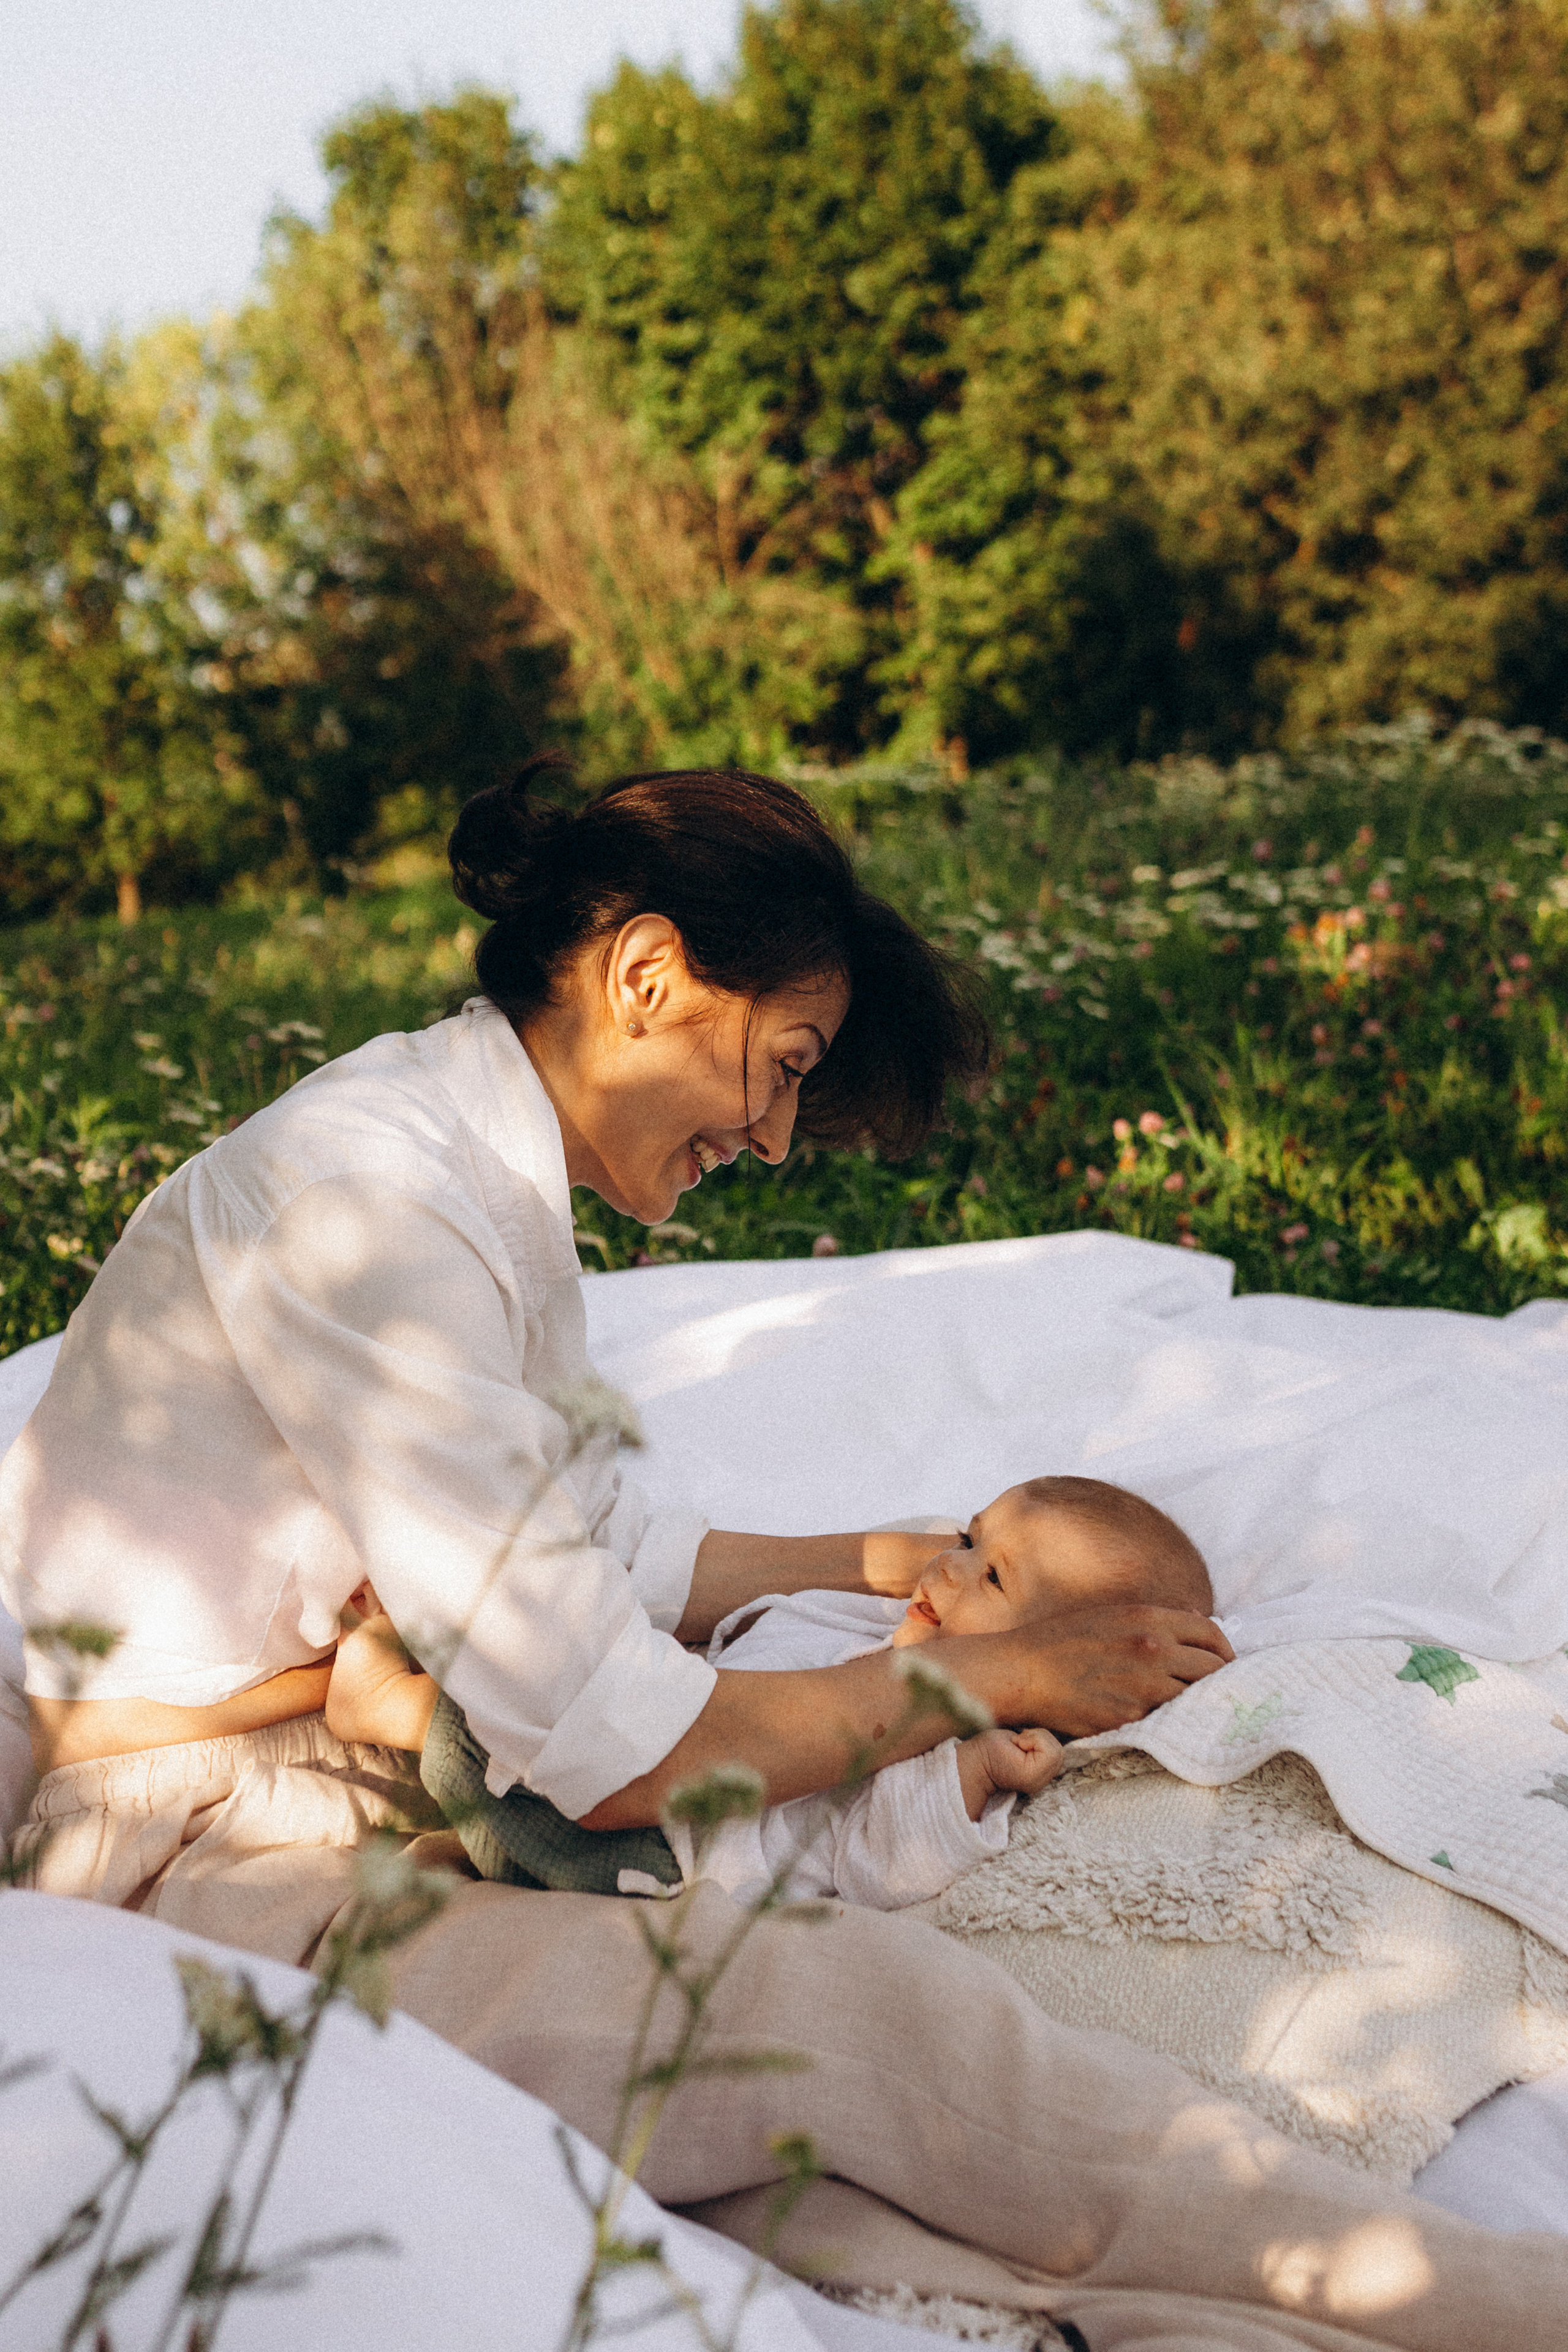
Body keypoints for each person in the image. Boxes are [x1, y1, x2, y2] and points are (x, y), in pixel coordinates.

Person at [4, 760, 1560, 2350]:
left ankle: (1219, 2308)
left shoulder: (467, 1180)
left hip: (342, 1780)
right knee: (847, 2013)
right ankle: (1464, 2299)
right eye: (783, 1063)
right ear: (646, 972)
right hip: (187, 1849)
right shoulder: (367, 1209)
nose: (773, 1130)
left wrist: (886, 1555)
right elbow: (618, 1752)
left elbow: (587, 1543)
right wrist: (982, 1672)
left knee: (785, 2162)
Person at [325, 1476, 1210, 1910]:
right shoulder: (884, 1626)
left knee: (509, 1737)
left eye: (994, 1578)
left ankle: (385, 1707)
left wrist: (979, 1773)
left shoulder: (938, 1746)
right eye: (970, 1537)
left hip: (645, 1856)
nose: (946, 1562)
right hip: (672, 1730)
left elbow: (887, 1858)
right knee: (565, 1664)